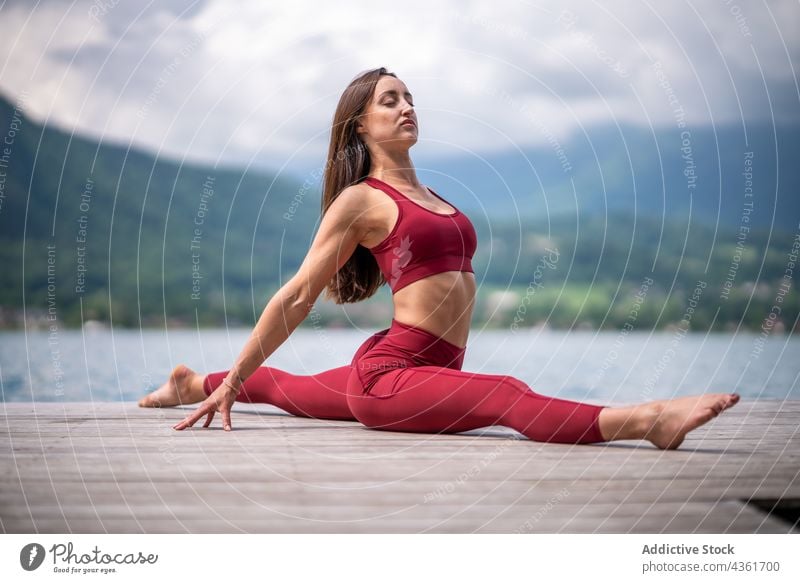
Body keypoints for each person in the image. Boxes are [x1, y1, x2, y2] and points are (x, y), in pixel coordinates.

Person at [139, 67, 739, 449]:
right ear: (359, 127)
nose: (406, 107)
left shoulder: (432, 197)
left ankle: (191, 383)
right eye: (388, 101)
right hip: (391, 376)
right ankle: (648, 421)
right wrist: (240, 370)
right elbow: (297, 295)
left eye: (409, 98)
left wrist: (228, 381)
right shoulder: (360, 201)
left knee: (289, 390)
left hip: (427, 368)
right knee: (505, 392)